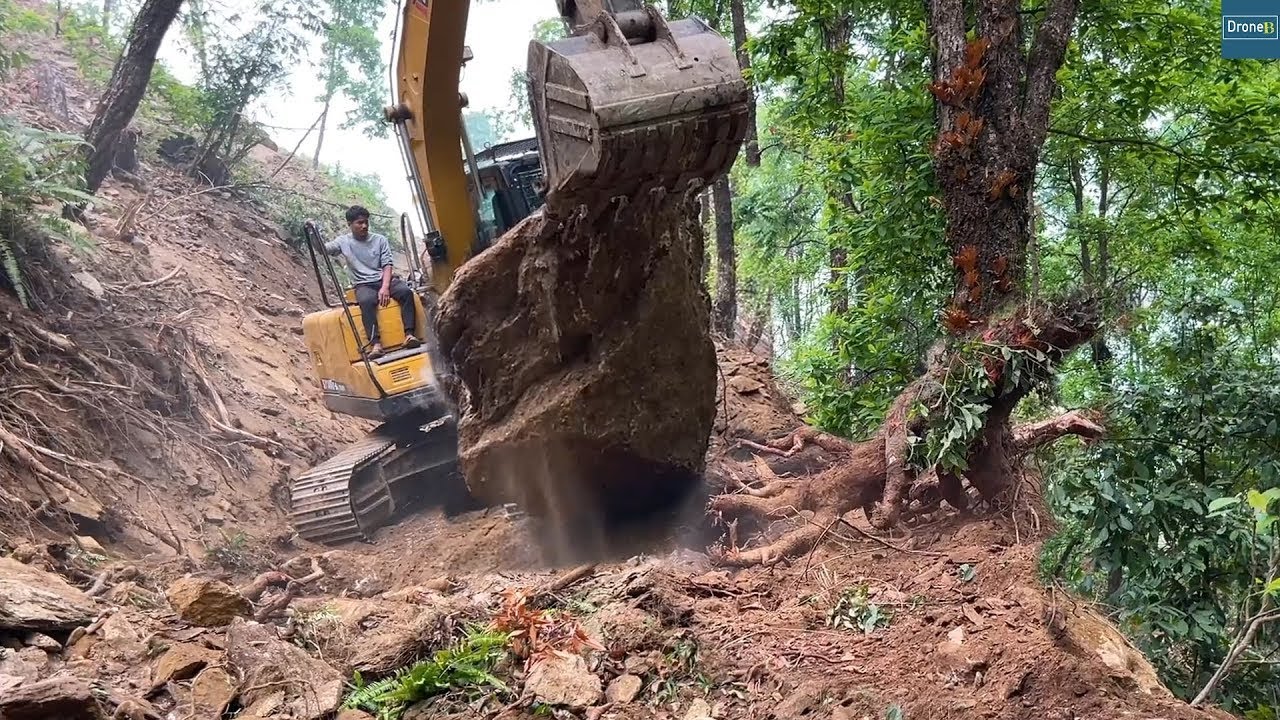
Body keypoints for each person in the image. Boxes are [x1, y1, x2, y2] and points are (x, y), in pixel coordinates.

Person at [325, 205, 421, 357]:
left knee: (405, 292)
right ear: (349, 224)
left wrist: (385, 287)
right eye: (359, 223)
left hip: (383, 278)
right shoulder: (343, 242)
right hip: (363, 284)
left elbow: (387, 264)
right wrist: (313, 235)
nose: (364, 226)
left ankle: (409, 334)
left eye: (366, 222)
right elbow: (325, 249)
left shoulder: (379, 240)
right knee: (366, 301)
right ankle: (376, 344)